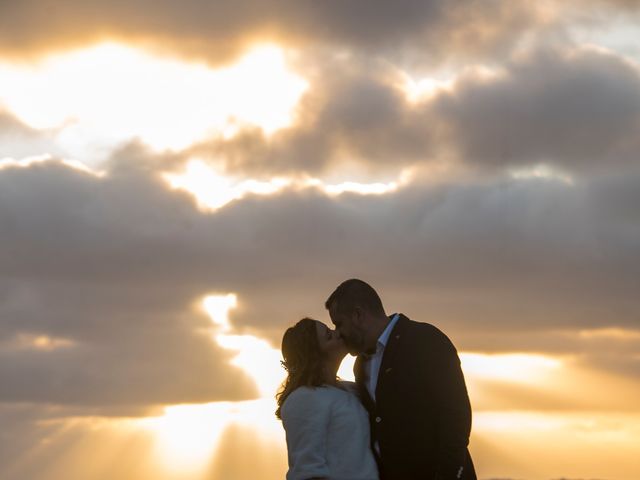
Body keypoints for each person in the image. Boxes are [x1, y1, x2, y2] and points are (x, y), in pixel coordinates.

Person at [326, 279, 477, 480]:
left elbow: (456, 417)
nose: (338, 333)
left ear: (358, 315)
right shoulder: (361, 365)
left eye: (339, 323)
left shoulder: (425, 340)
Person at [276, 317, 379, 480]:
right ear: (314, 353)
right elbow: (307, 471)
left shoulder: (351, 390)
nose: (338, 333)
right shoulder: (304, 398)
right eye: (329, 336)